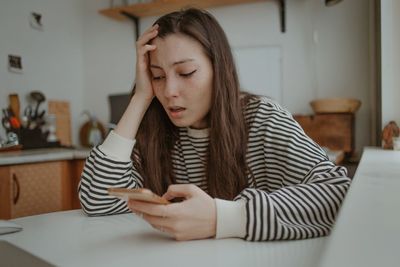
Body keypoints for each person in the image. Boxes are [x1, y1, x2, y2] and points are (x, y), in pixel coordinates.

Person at [78, 8, 351, 242]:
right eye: (158, 76)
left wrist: (223, 218)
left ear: (219, 69)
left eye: (186, 73)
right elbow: (96, 199)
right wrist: (140, 97)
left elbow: (339, 195)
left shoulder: (262, 118)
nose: (169, 91)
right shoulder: (154, 128)